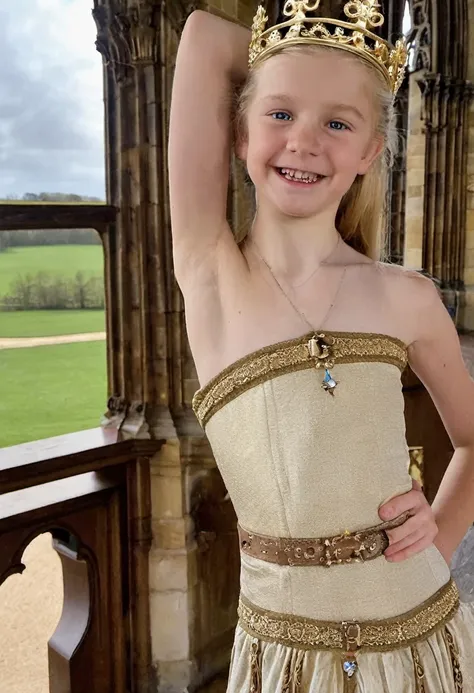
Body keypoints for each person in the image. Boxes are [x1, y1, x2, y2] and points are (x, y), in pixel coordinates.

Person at [168, 2, 474, 691]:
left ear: (371, 152)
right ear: (239, 133)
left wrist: (439, 538)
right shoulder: (214, 273)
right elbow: (201, 40)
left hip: (424, 633)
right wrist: (305, 51)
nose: (305, 141)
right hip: (285, 656)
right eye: (279, 115)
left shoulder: (408, 297)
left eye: (338, 123)